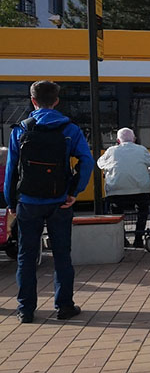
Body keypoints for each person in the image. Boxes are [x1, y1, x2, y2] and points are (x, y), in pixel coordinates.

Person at [5, 80, 94, 323]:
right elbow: (87, 161)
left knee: (26, 256)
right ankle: (64, 306)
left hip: (28, 202)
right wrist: (74, 190)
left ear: (32, 100)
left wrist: (10, 200)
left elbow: (12, 169)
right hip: (59, 201)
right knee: (62, 255)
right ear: (56, 101)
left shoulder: (20, 129)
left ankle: (26, 309)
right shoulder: (70, 129)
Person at [98, 127, 150, 248]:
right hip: (140, 192)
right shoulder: (141, 150)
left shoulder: (111, 151)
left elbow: (100, 163)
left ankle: (122, 238)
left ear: (117, 140)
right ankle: (138, 238)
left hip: (116, 193)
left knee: (116, 211)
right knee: (143, 209)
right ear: (134, 139)